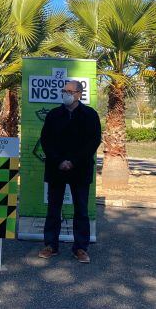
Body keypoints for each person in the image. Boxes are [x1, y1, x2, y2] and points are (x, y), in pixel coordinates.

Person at [38, 80, 101, 263]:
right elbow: (45, 140)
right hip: (56, 169)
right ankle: (51, 245)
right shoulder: (54, 114)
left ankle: (80, 248)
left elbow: (93, 141)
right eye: (64, 90)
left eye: (69, 91)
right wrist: (59, 161)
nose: (65, 93)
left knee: (81, 210)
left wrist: (73, 162)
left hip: (80, 170)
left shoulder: (90, 115)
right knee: (53, 209)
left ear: (79, 94)